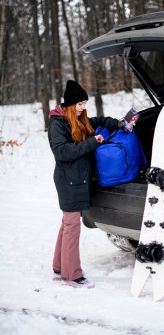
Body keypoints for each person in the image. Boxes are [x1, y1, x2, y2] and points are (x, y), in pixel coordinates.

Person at [48, 80, 123, 288]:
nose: (83, 108)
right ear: (70, 105)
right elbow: (62, 152)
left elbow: (99, 120)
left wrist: (117, 123)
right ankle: (72, 275)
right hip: (68, 180)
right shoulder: (58, 124)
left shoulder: (79, 118)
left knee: (67, 223)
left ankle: (58, 265)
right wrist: (93, 142)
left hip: (78, 178)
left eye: (84, 103)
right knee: (72, 225)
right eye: (80, 104)